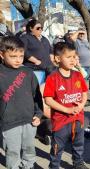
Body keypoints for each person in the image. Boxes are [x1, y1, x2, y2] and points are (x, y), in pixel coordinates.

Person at [43, 42, 89, 169]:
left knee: (79, 144)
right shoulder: (53, 78)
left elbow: (85, 93)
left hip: (78, 119)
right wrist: (67, 109)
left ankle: (78, 163)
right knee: (57, 147)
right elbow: (48, 100)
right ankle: (54, 166)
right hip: (60, 122)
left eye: (74, 56)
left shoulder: (78, 75)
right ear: (58, 59)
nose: (73, 60)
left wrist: (81, 105)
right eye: (69, 57)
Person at [0, 36, 43, 169]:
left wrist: (39, 113)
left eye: (21, 55)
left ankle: (28, 167)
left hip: (29, 120)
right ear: (2, 54)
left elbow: (37, 96)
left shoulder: (28, 72)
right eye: (13, 56)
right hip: (9, 123)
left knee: (29, 150)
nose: (18, 59)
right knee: (12, 152)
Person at [20, 19, 54, 85]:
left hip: (49, 69)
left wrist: (52, 59)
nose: (40, 29)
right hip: (35, 69)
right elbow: (23, 51)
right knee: (38, 90)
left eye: (41, 28)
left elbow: (50, 50)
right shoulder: (25, 37)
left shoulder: (44, 38)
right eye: (38, 28)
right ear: (31, 28)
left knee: (48, 89)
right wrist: (36, 61)